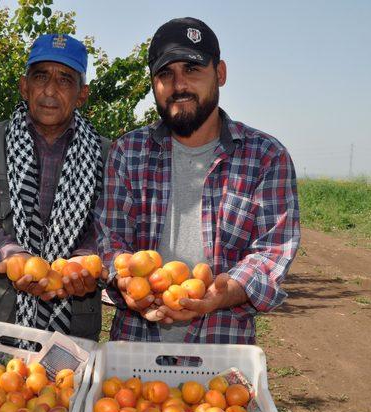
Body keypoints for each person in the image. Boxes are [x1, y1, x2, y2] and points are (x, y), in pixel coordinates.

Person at [96, 17, 300, 344]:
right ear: (153, 83)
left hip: (220, 353)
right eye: (165, 74)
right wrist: (125, 278)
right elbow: (110, 237)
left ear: (219, 73)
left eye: (192, 70)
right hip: (134, 354)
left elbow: (272, 250)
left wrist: (226, 291)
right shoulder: (127, 153)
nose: (179, 86)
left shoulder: (264, 157)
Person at [0, 34, 109, 342]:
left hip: (73, 323)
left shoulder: (107, 154)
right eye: (41, 77)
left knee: (66, 389)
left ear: (82, 94)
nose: (50, 90)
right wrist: (15, 257)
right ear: (24, 86)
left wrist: (86, 260)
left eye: (65, 80)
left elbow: (108, 229)